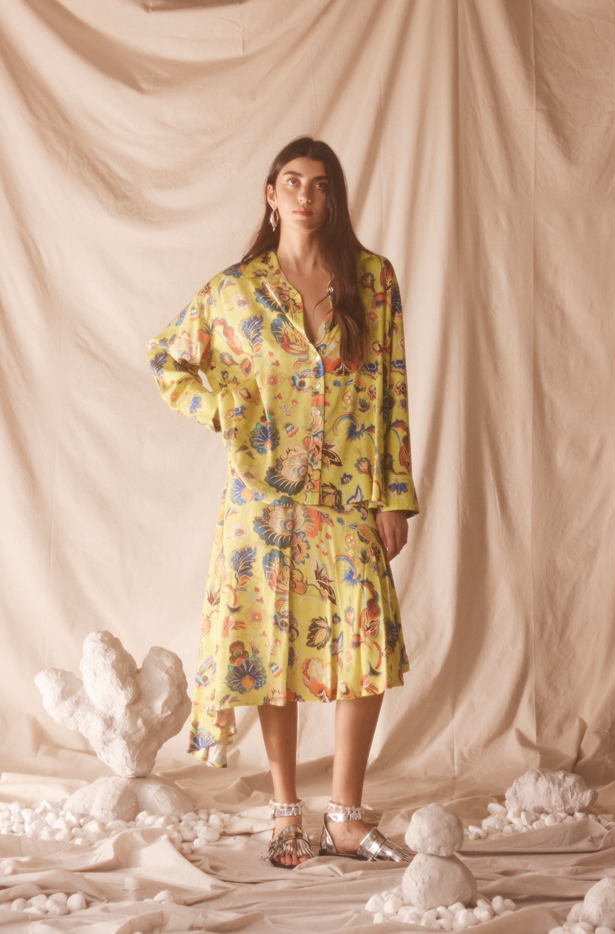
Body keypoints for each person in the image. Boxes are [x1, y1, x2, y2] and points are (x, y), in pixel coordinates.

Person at [147, 137, 419, 868]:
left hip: (347, 497)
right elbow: (167, 359)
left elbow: (391, 392)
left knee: (362, 644)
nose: (305, 196)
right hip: (260, 505)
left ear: (332, 200)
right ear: (270, 194)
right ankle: (284, 813)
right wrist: (223, 410)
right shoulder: (236, 290)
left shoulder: (371, 281)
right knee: (274, 647)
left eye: (320, 185)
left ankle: (346, 817)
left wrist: (392, 495)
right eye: (291, 182)